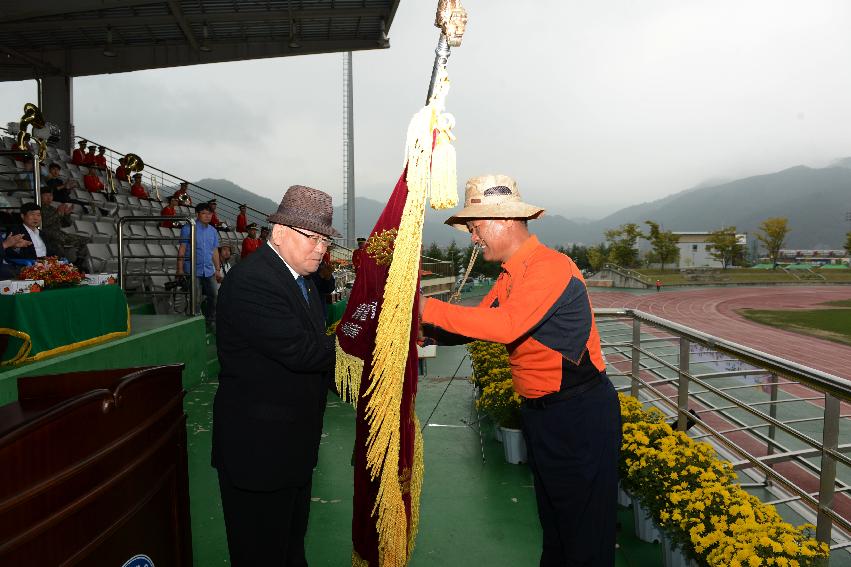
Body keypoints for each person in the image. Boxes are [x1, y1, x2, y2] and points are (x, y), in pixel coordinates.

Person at [418, 174, 620, 566]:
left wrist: (424, 306)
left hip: (579, 416)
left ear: (504, 220)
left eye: (476, 228)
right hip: (544, 416)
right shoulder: (513, 273)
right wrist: (428, 335)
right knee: (558, 529)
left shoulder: (549, 268)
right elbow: (481, 321)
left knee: (585, 539)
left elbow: (506, 325)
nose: (474, 239)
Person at [212, 184, 339, 566]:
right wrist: (373, 346)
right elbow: (303, 351)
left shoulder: (302, 280)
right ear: (280, 233)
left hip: (291, 448)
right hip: (259, 453)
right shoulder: (254, 281)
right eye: (312, 237)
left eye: (325, 239)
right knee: (261, 552)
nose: (321, 248)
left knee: (289, 546)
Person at [176, 202, 222, 326]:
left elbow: (215, 251)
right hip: (192, 270)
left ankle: (210, 319)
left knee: (215, 296)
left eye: (209, 213)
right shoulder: (188, 228)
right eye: (204, 213)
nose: (207, 216)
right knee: (195, 298)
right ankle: (195, 321)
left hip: (208, 270)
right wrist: (179, 269)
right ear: (197, 214)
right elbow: (182, 248)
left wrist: (217, 269)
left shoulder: (213, 231)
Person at [39, 187, 90, 270]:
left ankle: (78, 263)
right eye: (46, 195)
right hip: (48, 235)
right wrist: (58, 213)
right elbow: (43, 224)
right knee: (58, 247)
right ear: (40, 196)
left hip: (59, 235)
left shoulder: (52, 209)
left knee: (86, 240)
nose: (49, 198)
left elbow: (66, 224)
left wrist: (66, 214)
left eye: (50, 195)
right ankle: (62, 267)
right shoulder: (38, 209)